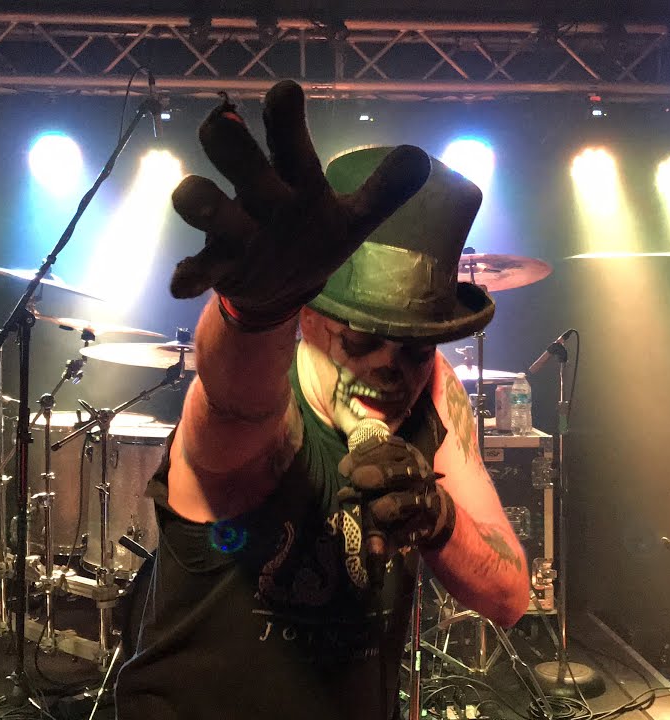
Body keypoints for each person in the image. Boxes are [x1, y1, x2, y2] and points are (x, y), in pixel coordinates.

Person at [114, 80, 529, 720]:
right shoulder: (270, 399)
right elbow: (232, 394)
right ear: (307, 315)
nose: (391, 370)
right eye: (361, 340)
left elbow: (509, 595)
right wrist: (255, 309)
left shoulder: (432, 388)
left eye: (415, 348)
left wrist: (437, 516)